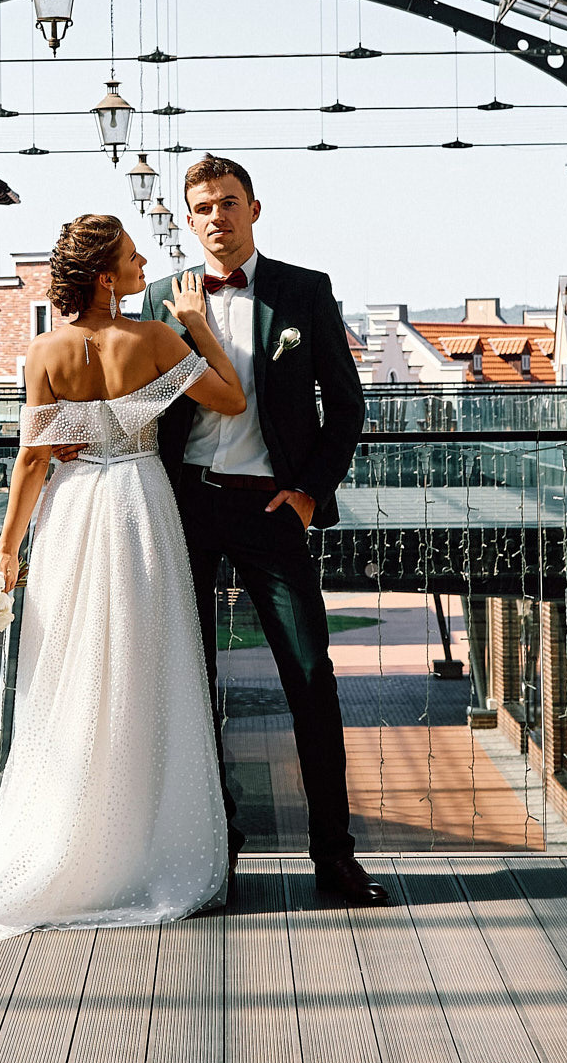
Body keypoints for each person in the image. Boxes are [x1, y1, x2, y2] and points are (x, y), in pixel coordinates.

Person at [0, 213, 247, 943]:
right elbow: (231, 399)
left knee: (71, 665)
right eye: (133, 258)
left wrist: (8, 552)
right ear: (106, 278)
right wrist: (198, 326)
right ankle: (139, 843)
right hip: (140, 505)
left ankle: (70, 837)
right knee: (147, 664)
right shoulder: (157, 338)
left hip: (73, 512)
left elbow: (32, 460)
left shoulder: (43, 350)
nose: (144, 265)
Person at [141, 155, 387, 906]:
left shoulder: (303, 291)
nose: (216, 216)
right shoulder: (159, 298)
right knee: (189, 683)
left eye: (228, 202)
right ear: (189, 221)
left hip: (273, 509)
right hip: (185, 507)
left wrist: (310, 493)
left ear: (254, 209)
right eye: (203, 207)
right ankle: (214, 852)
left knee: (310, 676)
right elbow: (138, 400)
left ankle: (335, 859)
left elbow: (346, 405)